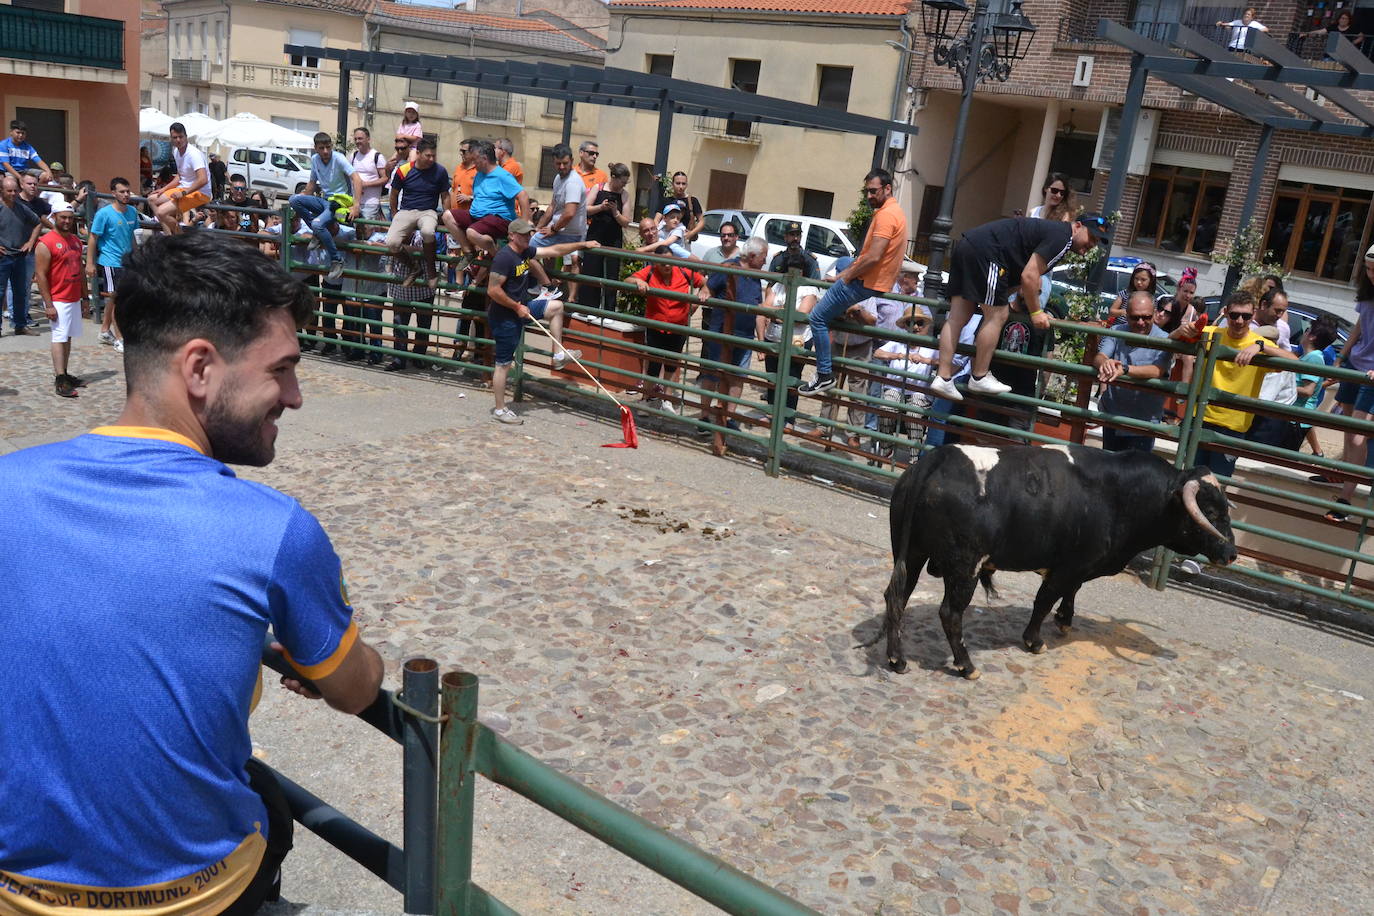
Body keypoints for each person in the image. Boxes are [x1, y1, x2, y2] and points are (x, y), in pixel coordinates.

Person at [0, 231, 385, 909]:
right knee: (267, 801)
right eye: (282, 369)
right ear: (200, 369)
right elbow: (354, 691)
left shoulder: (8, 484)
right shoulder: (272, 528)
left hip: (14, 891)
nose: (294, 397)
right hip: (196, 896)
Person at [930, 212, 1107, 402]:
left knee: (958, 316)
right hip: (987, 252)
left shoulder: (1054, 233)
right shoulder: (1062, 237)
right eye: (1092, 237)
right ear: (1077, 226)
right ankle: (979, 376)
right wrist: (1037, 312)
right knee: (998, 315)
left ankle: (943, 377)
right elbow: (1030, 277)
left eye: (1097, 241)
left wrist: (1002, 293)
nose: (1092, 244)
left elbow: (1020, 275)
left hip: (969, 245)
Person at [799, 168, 908, 395]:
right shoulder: (895, 211)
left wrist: (846, 277)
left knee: (817, 318)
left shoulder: (887, 215)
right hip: (872, 282)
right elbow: (870, 256)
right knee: (825, 315)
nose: (869, 196)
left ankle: (824, 374)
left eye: (873, 191)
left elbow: (874, 255)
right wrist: (841, 275)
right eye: (866, 192)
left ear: (887, 189)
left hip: (863, 282)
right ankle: (826, 373)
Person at [1174, 288, 1300, 476]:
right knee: (1190, 479)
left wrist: (1261, 346)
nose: (1240, 321)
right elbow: (1170, 340)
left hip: (1233, 427)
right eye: (1234, 315)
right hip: (1199, 418)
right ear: (1225, 313)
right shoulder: (1210, 333)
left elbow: (1295, 363)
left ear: (1253, 315)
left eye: (1246, 316)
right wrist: (1179, 330)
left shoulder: (1258, 342)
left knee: (1218, 484)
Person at [485, 219, 596, 424]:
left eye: (529, 234)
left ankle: (558, 354)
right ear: (512, 235)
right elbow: (493, 290)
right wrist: (516, 306)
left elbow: (555, 250)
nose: (528, 237)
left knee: (556, 306)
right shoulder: (504, 257)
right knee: (503, 364)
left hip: (522, 308)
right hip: (505, 316)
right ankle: (500, 409)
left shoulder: (525, 252)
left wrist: (582, 244)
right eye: (523, 234)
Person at [702, 237, 768, 436]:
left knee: (738, 377)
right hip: (721, 332)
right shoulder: (728, 267)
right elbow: (708, 287)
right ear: (753, 256)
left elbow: (757, 309)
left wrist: (761, 341)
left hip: (744, 336)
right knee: (712, 373)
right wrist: (705, 293)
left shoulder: (755, 276)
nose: (765, 262)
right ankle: (704, 417)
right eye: (763, 257)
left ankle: (729, 418)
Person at [1093, 290, 1174, 453]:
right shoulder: (1116, 330)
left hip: (1143, 421)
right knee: (1110, 469)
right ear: (1126, 314)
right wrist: (1105, 363)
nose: (1141, 322)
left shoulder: (1165, 339)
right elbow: (1099, 357)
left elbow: (1157, 370)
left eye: (1146, 317)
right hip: (1113, 415)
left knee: (1135, 475)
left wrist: (1124, 369)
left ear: (1154, 314)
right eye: (1135, 317)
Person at [630, 247, 709, 412]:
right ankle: (646, 399)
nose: (667, 266)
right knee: (653, 364)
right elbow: (627, 280)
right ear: (657, 263)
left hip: (678, 326)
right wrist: (638, 281)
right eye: (663, 262)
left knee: (672, 364)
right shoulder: (650, 271)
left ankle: (667, 400)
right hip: (655, 325)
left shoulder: (684, 272)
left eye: (670, 261)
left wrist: (700, 297)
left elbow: (705, 283)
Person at [288, 132, 363, 283]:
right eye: (322, 148)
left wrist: (356, 205)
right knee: (294, 199)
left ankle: (337, 260)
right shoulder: (315, 160)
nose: (326, 151)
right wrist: (299, 208)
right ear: (315, 148)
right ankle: (318, 232)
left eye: (328, 147)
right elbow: (311, 184)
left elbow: (357, 179)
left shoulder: (338, 158)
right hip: (324, 200)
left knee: (317, 223)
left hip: (339, 203)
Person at [33, 200, 85, 397]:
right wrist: (48, 304)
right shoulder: (45, 243)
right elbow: (41, 275)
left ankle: (64, 372)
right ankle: (60, 379)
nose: (67, 221)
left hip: (73, 297)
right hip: (58, 298)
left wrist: (85, 297)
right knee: (59, 336)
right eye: (63, 217)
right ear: (54, 217)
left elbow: (79, 269)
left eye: (70, 218)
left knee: (68, 336)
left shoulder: (75, 240)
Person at [447, 140, 527, 266]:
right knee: (447, 216)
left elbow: (523, 195)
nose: (473, 163)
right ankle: (469, 252)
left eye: (475, 160)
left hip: (498, 219)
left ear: (484, 159)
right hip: (478, 218)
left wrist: (525, 223)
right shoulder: (479, 174)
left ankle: (496, 254)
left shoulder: (502, 176)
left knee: (471, 232)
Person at [385, 138, 450, 290]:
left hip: (428, 211)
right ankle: (414, 268)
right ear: (418, 153)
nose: (431, 159)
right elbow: (393, 193)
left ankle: (432, 271)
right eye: (428, 155)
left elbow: (445, 195)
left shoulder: (440, 171)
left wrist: (447, 215)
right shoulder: (404, 170)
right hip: (406, 210)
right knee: (392, 242)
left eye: (434, 155)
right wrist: (394, 213)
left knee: (428, 232)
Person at [86, 176, 139, 354]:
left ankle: (104, 330)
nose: (125, 195)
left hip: (126, 262)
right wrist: (90, 263)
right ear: (113, 193)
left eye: (127, 191)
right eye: (122, 192)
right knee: (116, 298)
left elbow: (132, 236)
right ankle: (119, 338)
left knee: (116, 298)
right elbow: (93, 238)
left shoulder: (132, 212)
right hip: (110, 262)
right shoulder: (104, 214)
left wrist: (136, 257)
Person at [578, 160, 632, 314]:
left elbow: (626, 222)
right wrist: (601, 207)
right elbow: (586, 209)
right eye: (622, 182)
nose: (623, 185)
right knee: (591, 270)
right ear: (613, 177)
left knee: (611, 274)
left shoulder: (624, 195)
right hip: (596, 233)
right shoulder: (598, 187)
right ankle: (588, 309)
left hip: (614, 237)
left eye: (625, 182)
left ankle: (608, 310)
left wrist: (615, 212)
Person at [384, 228, 436, 371]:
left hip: (423, 289)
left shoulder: (421, 237)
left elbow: (425, 252)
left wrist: (397, 247)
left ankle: (419, 357)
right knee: (399, 325)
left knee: (423, 326)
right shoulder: (395, 235)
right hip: (401, 289)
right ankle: (399, 359)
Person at [149, 122, 212, 236]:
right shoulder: (176, 151)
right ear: (171, 138)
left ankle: (178, 237)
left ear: (186, 136)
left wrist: (183, 193)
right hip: (184, 188)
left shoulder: (194, 154)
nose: (178, 140)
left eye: (181, 137)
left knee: (161, 212)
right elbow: (180, 176)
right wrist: (164, 189)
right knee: (151, 199)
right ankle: (170, 236)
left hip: (200, 193)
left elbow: (203, 179)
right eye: (175, 137)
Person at [0, 175, 41, 336]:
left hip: (20, 256)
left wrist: (30, 242)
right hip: (3, 257)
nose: (13, 194)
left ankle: (20, 325)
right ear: (2, 190)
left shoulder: (21, 207)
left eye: (15, 191)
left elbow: (37, 223)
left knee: (20, 293)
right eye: (9, 191)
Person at [531, 143, 587, 249]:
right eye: (558, 163)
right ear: (553, 162)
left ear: (572, 161)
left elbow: (569, 213)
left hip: (571, 234)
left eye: (565, 163)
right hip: (558, 230)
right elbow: (552, 207)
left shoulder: (573, 182)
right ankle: (546, 266)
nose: (562, 167)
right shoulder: (558, 178)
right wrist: (537, 228)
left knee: (529, 246)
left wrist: (553, 229)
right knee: (533, 240)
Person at [1296, 317, 1338, 459]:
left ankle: (1318, 452)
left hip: (1297, 418)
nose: (1304, 332)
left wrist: (1283, 387)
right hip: (1298, 417)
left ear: (1312, 336)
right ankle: (1317, 452)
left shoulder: (1314, 358)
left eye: (1307, 330)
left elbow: (1308, 390)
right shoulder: (1310, 356)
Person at [350, 125, 391, 222]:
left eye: (360, 138)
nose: (357, 141)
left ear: (368, 139)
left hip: (371, 203)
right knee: (356, 230)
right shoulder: (353, 156)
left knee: (366, 230)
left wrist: (365, 184)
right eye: (355, 139)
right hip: (355, 202)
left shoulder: (377, 156)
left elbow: (385, 178)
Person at [655, 171, 703, 242]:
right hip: (664, 239)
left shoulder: (693, 201)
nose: (681, 186)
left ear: (687, 185)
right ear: (672, 184)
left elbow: (701, 221)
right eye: (678, 183)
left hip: (683, 241)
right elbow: (656, 220)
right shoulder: (666, 200)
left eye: (683, 184)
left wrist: (691, 233)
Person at [0, 119, 51, 184]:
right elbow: (6, 164)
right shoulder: (3, 144)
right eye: (18, 132)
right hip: (9, 172)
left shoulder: (28, 146)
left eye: (23, 133)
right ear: (11, 132)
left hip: (25, 171)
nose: (20, 135)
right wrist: (20, 177)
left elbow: (39, 161)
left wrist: (49, 172)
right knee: (10, 181)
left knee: (45, 175)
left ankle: (34, 192)